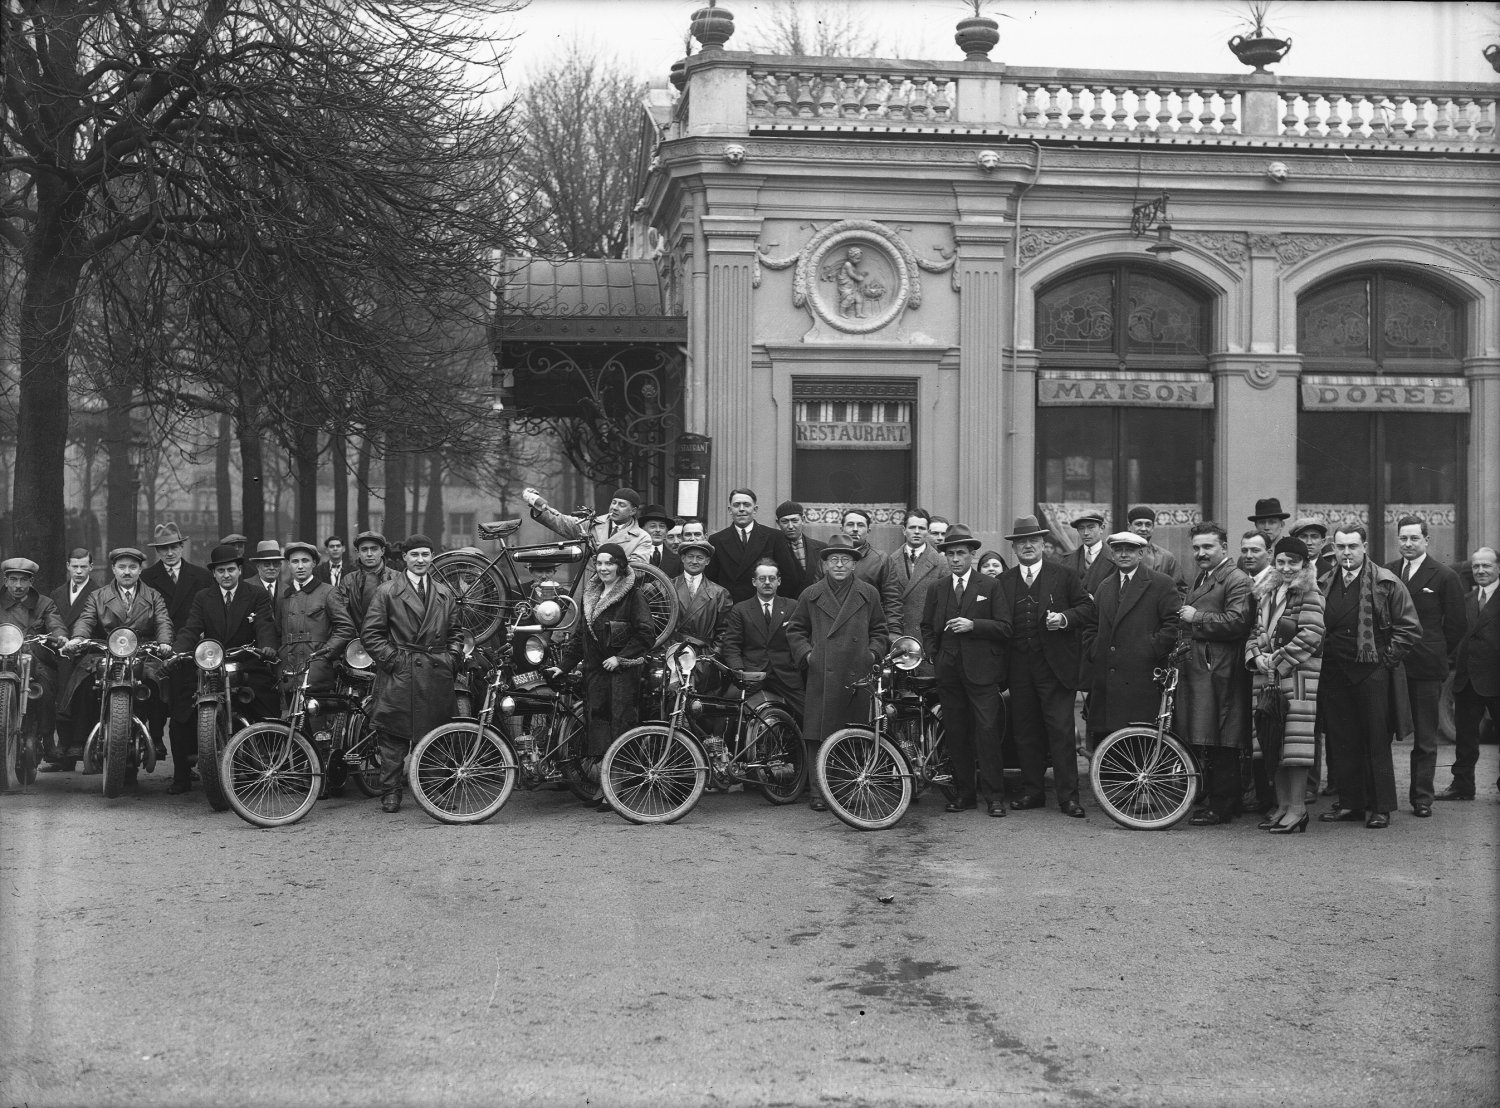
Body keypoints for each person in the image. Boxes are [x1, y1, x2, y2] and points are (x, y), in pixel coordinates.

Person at [1315, 524, 1420, 829]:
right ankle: (1350, 804)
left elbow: (1410, 628)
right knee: (1342, 740)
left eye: (1352, 547)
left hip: (1371, 672)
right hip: (1335, 672)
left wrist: (1386, 661)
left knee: (1376, 740)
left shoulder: (1386, 582)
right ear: (1333, 549)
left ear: (1364, 547)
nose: (1346, 553)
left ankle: (1380, 807)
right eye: (1340, 547)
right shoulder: (1324, 581)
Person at [993, 516, 1094, 818]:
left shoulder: (1063, 576)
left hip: (1055, 667)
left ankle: (1068, 797)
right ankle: (1033, 790)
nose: (1027, 546)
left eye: (1032, 541)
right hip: (1019, 668)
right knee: (1025, 732)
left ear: (1042, 544)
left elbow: (1087, 608)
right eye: (1020, 542)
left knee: (1061, 732)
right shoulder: (1003, 581)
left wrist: (1064, 619)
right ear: (1013, 548)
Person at [786, 534, 890, 812]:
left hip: (857, 674)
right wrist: (808, 655)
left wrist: (872, 654)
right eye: (834, 560)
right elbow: (795, 629)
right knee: (818, 734)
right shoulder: (811, 594)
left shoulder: (869, 593)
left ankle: (849, 788)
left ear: (855, 564)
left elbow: (880, 630)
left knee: (853, 733)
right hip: (822, 673)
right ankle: (819, 792)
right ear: (824, 565)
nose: (840, 565)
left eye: (846, 560)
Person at [362, 535, 465, 813]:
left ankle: (431, 790)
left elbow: (457, 633)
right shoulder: (387, 591)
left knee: (434, 734)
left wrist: (451, 658)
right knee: (393, 736)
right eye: (415, 555)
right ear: (404, 558)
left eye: (426, 554)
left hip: (434, 670)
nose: (421, 560)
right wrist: (395, 661)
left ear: (432, 557)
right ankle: (391, 792)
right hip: (400, 670)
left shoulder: (444, 593)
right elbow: (371, 635)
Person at [169, 545, 279, 794]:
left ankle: (266, 765)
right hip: (211, 662)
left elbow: (264, 624)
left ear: (240, 570)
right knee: (182, 708)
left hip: (247, 659)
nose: (226, 575)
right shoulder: (203, 597)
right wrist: (178, 651)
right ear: (214, 574)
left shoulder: (256, 594)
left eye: (231, 569)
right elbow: (191, 627)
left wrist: (268, 647)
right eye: (221, 571)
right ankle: (182, 775)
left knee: (265, 700)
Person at [556, 543, 653, 811]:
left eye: (609, 563)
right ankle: (603, 787)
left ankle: (616, 789)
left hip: (621, 674)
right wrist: (563, 666)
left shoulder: (633, 597)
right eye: (599, 563)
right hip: (595, 673)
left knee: (619, 726)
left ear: (621, 566)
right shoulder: (592, 595)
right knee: (597, 728)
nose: (603, 568)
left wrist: (621, 657)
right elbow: (579, 638)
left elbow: (646, 633)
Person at [920, 525, 1008, 817]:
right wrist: (935, 655)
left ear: (972, 555)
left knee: (986, 732)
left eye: (961, 553)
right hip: (949, 673)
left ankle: (994, 797)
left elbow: (1006, 628)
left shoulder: (990, 586)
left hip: (982, 672)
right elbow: (926, 626)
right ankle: (965, 794)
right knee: (956, 733)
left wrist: (974, 625)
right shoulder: (938, 588)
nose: (955, 559)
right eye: (950, 554)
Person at [62, 547, 173, 774]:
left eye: (132, 567)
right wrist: (78, 638)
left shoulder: (153, 596)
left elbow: (163, 621)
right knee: (85, 679)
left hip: (142, 650)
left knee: (156, 681)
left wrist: (165, 642)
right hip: (106, 650)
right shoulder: (98, 596)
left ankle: (157, 737)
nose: (127, 572)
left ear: (140, 569)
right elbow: (86, 619)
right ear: (113, 569)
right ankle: (79, 738)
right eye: (122, 567)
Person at [1174, 523, 1254, 826]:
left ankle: (1222, 806)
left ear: (1223, 547)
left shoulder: (1236, 579)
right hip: (1204, 668)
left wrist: (1198, 618)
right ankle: (1217, 801)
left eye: (1207, 547)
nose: (1200, 553)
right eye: (1196, 548)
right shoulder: (1206, 576)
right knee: (1210, 735)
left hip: (1221, 669)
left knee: (1223, 737)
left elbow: (1238, 622)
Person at [1245, 536, 1326, 834]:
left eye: (1293, 562)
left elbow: (1311, 634)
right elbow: (1254, 632)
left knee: (1295, 747)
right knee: (1271, 743)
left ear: (1304, 563)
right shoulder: (1266, 592)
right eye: (1281, 561)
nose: (1286, 567)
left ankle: (1298, 809)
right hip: (1267, 678)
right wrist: (1256, 656)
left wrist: (1275, 660)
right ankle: (1281, 806)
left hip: (1298, 679)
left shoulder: (1310, 593)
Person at [1386, 515, 1465, 816]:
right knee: (1382, 732)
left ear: (1426, 540)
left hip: (1426, 667)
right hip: (1390, 664)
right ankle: (1381, 797)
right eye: (1403, 538)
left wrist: (1438, 654)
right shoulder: (1389, 572)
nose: (1408, 544)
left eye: (1414, 539)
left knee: (1425, 736)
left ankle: (1421, 798)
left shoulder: (1444, 576)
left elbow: (1457, 625)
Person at [1082, 532, 1180, 750]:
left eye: (1130, 550)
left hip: (1142, 679)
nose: (1123, 554)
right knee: (1111, 747)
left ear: (1141, 553)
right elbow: (1090, 626)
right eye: (1118, 550)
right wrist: (1096, 650)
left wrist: (1149, 649)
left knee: (1141, 743)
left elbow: (1173, 625)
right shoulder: (1104, 586)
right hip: (1108, 679)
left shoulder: (1161, 583)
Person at [141, 522, 214, 766]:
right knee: (155, 695)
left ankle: (190, 758)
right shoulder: (146, 577)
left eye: (173, 547)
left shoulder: (201, 576)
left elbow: (207, 613)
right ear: (157, 552)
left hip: (190, 648)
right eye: (163, 549)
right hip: (158, 648)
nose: (169, 553)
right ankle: (155, 739)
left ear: (182, 547)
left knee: (189, 702)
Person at [1438, 547, 1499, 802]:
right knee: (1465, 738)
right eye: (1476, 567)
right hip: (1467, 680)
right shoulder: (1466, 600)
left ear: (1498, 568)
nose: (1481, 571)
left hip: (1496, 679)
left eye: (1486, 565)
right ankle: (1463, 786)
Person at [0, 559, 67, 787]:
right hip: (2, 659)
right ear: (5, 580)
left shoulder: (44, 603)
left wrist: (60, 636)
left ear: (31, 581)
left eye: (23, 580)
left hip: (33, 659)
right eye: (13, 579)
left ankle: (47, 740)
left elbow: (55, 623)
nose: (18, 585)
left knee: (45, 688)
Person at [722, 558, 805, 722]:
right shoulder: (741, 609)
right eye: (762, 579)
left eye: (772, 578)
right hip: (751, 673)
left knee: (808, 712)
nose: (767, 583)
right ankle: (725, 746)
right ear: (754, 582)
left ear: (779, 581)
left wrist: (796, 664)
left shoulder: (792, 606)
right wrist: (739, 672)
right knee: (725, 708)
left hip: (785, 675)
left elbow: (801, 639)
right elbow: (731, 645)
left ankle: (807, 747)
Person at [42, 548, 98, 772]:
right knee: (54, 692)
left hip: (87, 654)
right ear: (67, 566)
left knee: (84, 696)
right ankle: (63, 752)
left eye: (83, 566)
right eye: (74, 566)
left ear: (91, 567)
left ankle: (84, 750)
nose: (78, 571)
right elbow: (52, 622)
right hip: (61, 653)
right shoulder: (57, 593)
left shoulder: (99, 592)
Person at [707, 488, 800, 602]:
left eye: (746, 505)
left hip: (764, 607)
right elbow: (711, 580)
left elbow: (789, 577)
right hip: (730, 608)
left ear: (755, 509)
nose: (741, 509)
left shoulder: (774, 537)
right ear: (730, 510)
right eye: (736, 505)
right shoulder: (716, 540)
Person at [523, 484, 653, 565]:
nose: (615, 507)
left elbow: (640, 569)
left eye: (621, 505)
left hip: (620, 594)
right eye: (614, 502)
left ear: (633, 511)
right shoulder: (593, 524)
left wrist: (611, 555)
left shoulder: (642, 538)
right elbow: (562, 522)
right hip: (588, 586)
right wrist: (537, 507)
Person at [322, 530, 398, 664]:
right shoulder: (348, 581)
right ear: (358, 552)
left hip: (391, 650)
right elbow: (342, 619)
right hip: (356, 649)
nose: (369, 554)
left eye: (374, 549)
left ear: (383, 551)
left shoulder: (398, 579)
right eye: (364, 550)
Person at [276, 542, 335, 697]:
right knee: (290, 719)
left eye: (305, 561)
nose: (300, 566)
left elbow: (345, 629)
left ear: (314, 563)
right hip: (289, 670)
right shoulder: (283, 596)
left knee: (316, 717)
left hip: (317, 670)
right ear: (288, 565)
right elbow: (277, 632)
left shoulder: (328, 592)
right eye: (295, 562)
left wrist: (326, 656)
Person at [881, 508, 947, 645]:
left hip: (928, 638)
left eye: (921, 528)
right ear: (904, 530)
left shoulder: (941, 563)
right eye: (912, 527)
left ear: (928, 531)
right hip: (898, 637)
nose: (917, 532)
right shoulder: (890, 561)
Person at [673, 539, 732, 648]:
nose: (694, 561)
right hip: (671, 652)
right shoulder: (667, 587)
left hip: (703, 655)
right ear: (683, 558)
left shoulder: (720, 593)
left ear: (707, 561)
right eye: (690, 556)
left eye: (700, 558)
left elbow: (724, 631)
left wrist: (713, 654)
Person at [1126, 506, 1186, 591]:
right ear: (1129, 526)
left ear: (1153, 527)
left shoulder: (1166, 558)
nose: (1143, 529)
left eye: (1148, 525)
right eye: (1139, 524)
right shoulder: (1119, 555)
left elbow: (1180, 590)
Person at [775, 501, 825, 593]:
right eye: (785, 522)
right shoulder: (772, 549)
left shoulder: (822, 548)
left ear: (803, 519)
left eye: (795, 521)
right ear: (778, 523)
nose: (790, 526)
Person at [1061, 511, 1114, 597]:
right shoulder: (1066, 560)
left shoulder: (1115, 558)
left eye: (1091, 527)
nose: (1086, 533)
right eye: (1081, 528)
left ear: (1102, 528)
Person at [639, 504, 681, 576]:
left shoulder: (678, 559)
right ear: (643, 529)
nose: (658, 530)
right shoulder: (635, 555)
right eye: (653, 526)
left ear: (666, 530)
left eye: (662, 526)